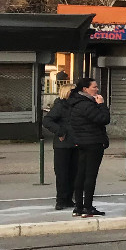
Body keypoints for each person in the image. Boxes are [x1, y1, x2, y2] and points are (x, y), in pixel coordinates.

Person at [66, 77, 110, 218]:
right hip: (93, 142)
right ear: (85, 89)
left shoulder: (75, 103)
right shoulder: (87, 104)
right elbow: (103, 119)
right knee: (90, 175)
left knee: (81, 174)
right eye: (94, 87)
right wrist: (102, 105)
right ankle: (88, 207)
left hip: (81, 142)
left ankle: (78, 207)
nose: (97, 89)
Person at [40, 82, 78, 210]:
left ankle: (68, 199)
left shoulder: (76, 105)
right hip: (63, 144)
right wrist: (61, 131)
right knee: (62, 174)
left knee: (73, 173)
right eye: (74, 91)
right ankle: (61, 200)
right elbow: (47, 121)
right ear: (68, 93)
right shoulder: (60, 105)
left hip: (76, 143)